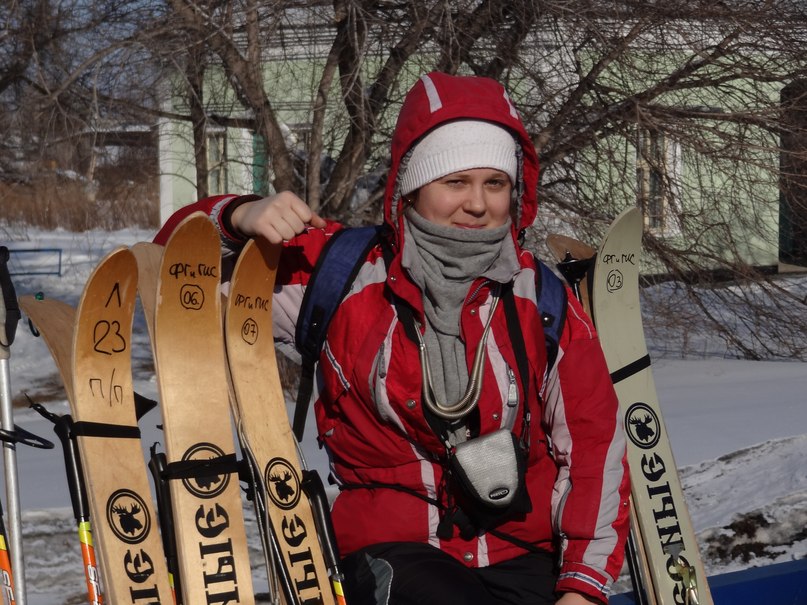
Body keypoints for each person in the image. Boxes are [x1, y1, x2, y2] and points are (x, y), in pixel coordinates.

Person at [156, 71, 630, 604]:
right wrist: (236, 217)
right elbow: (171, 277)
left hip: (522, 550)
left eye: (495, 183)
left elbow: (592, 445)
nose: (478, 204)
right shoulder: (343, 274)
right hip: (392, 551)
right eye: (454, 181)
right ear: (411, 185)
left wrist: (582, 588)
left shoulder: (539, 297)